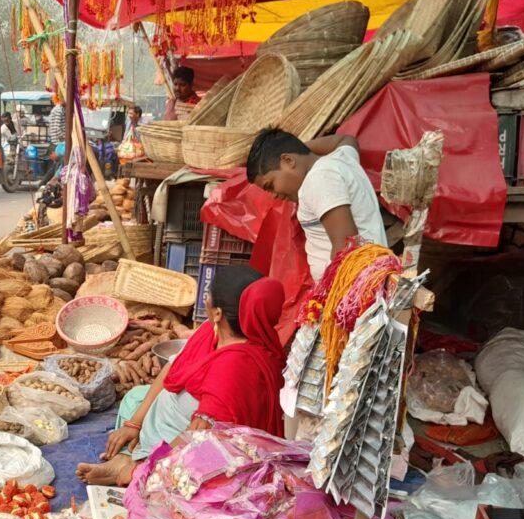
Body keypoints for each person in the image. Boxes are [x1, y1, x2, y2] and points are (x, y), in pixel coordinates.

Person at [77, 266, 286, 486]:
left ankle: (134, 465)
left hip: (190, 439)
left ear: (218, 312)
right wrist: (134, 424)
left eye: (208, 295)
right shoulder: (215, 330)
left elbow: (197, 439)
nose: (205, 299)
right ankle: (131, 454)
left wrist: (143, 470)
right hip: (180, 417)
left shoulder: (234, 366)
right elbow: (173, 368)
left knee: (176, 470)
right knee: (135, 397)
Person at [245, 128, 387, 282]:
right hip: (367, 279)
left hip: (354, 288)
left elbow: (346, 245)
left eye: (270, 185)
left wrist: (329, 298)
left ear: (288, 161)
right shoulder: (341, 159)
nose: (274, 195)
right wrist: (298, 148)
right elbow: (345, 140)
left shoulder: (318, 179)